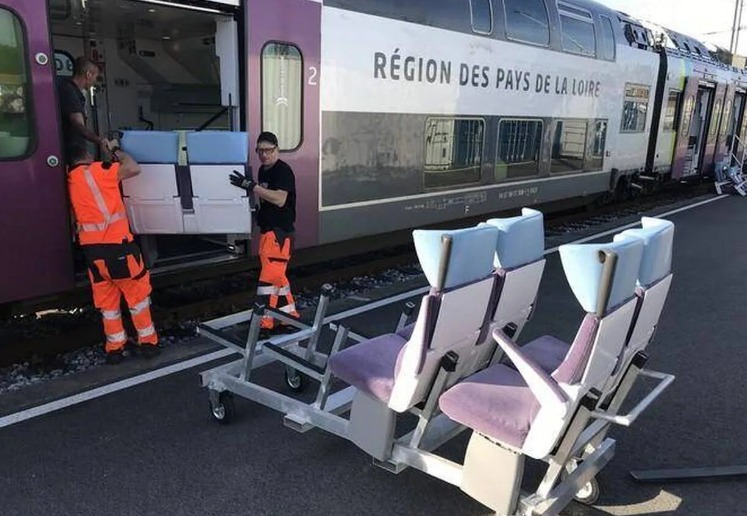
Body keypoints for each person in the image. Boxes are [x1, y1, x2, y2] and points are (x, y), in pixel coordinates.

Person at [67, 143, 160, 364]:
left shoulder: (69, 180)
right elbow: (133, 168)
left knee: (108, 304)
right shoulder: (100, 170)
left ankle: (115, 348)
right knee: (137, 298)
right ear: (88, 155)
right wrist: (116, 150)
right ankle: (148, 343)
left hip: (92, 253)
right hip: (119, 249)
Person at [229, 131, 300, 331]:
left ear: (277, 149)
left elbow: (280, 199)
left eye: (268, 150)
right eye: (260, 151)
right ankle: (289, 317)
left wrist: (252, 186)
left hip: (279, 235)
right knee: (279, 279)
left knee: (268, 282)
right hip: (269, 233)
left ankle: (264, 324)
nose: (264, 155)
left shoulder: (282, 170)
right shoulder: (263, 170)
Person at [57, 57, 106, 165]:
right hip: (70, 151)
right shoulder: (69, 91)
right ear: (88, 74)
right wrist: (100, 140)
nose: (95, 81)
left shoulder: (70, 90)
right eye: (96, 77)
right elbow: (78, 124)